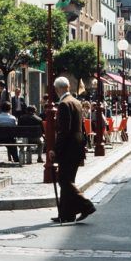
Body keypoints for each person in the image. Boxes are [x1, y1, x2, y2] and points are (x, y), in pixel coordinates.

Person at [49, 76, 96, 224]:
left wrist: (55, 150)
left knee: (64, 181)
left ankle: (86, 205)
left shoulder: (64, 104)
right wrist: (85, 144)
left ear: (58, 89)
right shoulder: (76, 102)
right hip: (76, 147)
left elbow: (64, 131)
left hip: (68, 148)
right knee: (68, 180)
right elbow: (81, 127)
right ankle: (66, 214)